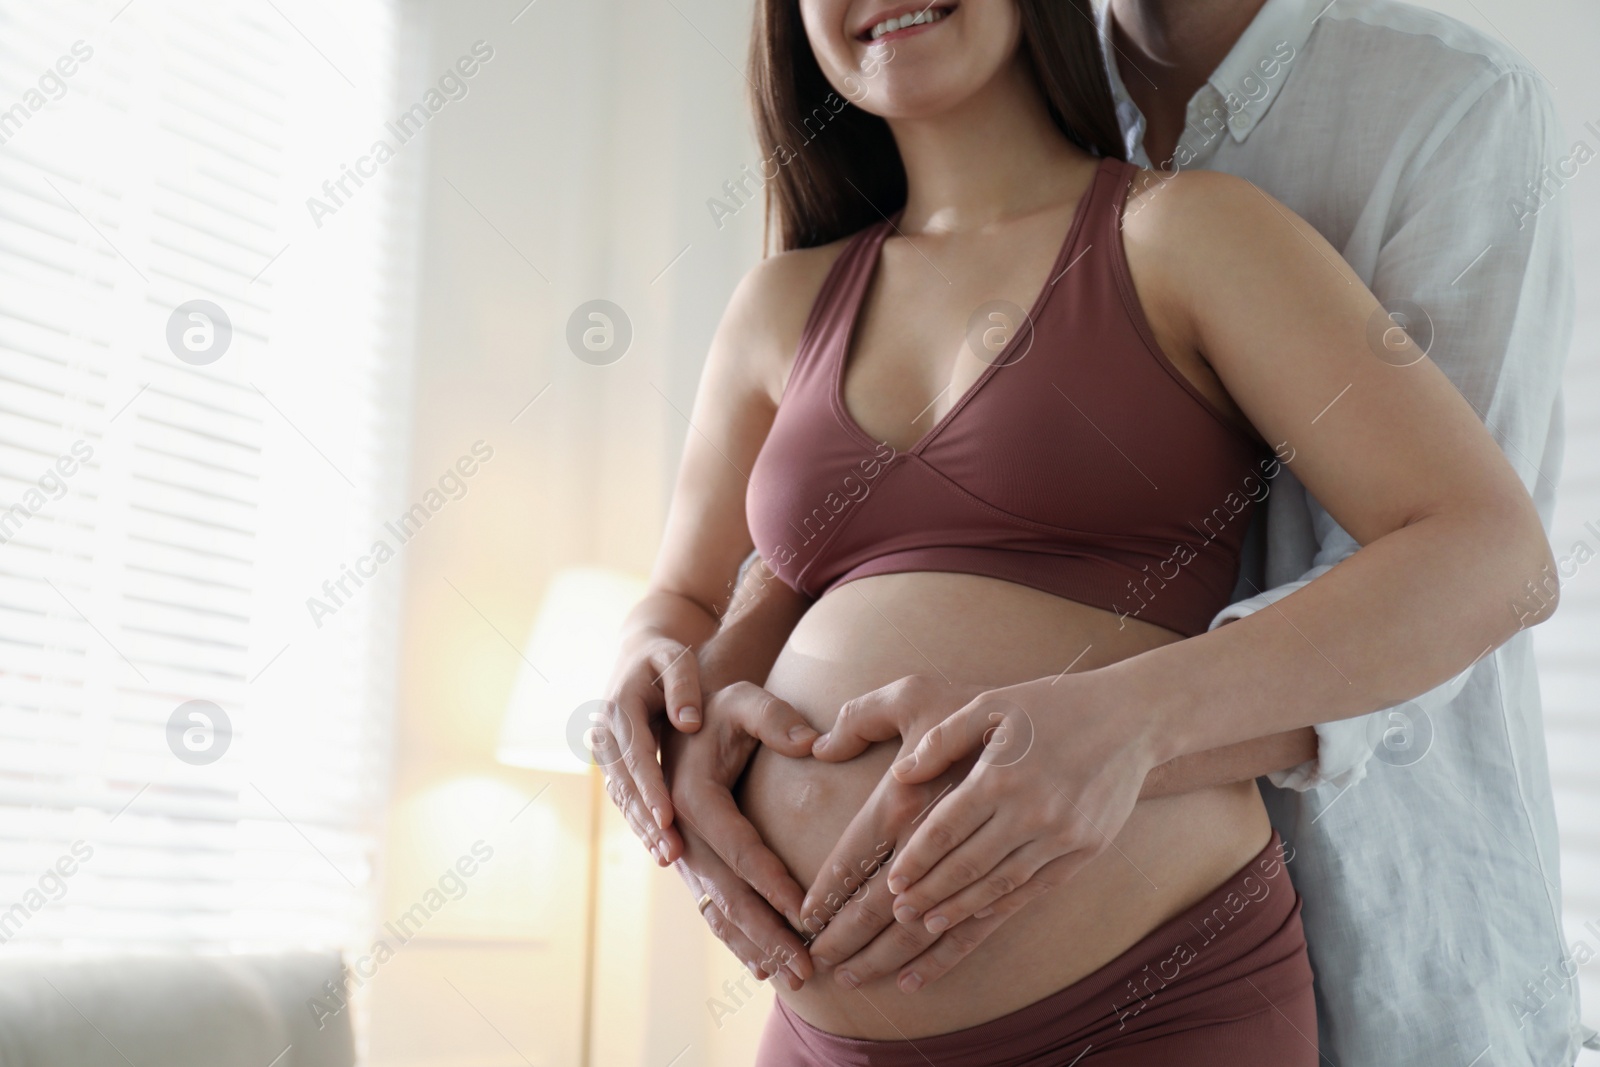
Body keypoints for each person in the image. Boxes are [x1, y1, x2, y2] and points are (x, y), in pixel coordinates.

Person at [600, 0, 1572, 1062]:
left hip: (1157, 1000)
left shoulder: (1193, 227)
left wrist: (1124, 723)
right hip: (822, 1021)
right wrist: (657, 698)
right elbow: (695, 594)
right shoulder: (779, 302)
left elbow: (1489, 554)